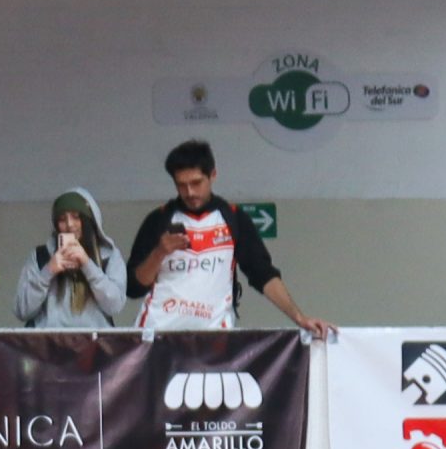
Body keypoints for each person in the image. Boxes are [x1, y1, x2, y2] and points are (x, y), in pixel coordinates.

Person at [128, 142, 332, 338]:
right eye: (182, 185)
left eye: (196, 183)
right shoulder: (159, 219)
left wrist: (299, 317)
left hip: (215, 338)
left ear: (213, 175)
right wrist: (159, 253)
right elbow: (133, 287)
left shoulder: (234, 217)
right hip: (157, 337)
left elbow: (262, 273)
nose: (190, 192)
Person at [13, 188, 129, 332]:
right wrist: (48, 271)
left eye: (76, 217)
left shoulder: (108, 256)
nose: (69, 225)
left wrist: (87, 264)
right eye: (62, 219)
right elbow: (22, 311)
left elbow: (115, 306)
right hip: (47, 347)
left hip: (94, 347)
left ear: (88, 220)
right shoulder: (40, 256)